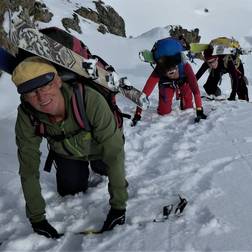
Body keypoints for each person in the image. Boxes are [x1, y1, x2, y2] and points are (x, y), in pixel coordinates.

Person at [12, 56, 128, 238]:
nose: (41, 97)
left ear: (58, 81)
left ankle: (98, 166)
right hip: (67, 153)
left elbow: (114, 153)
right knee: (70, 189)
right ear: (24, 97)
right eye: (32, 92)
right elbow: (28, 167)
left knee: (107, 167)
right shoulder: (27, 116)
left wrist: (118, 207)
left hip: (100, 148)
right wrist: (36, 218)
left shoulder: (89, 100)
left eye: (45, 85)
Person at [131, 37, 207, 126]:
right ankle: (177, 96)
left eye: (174, 72)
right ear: (164, 71)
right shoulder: (159, 69)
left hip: (183, 82)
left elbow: (195, 88)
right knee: (164, 112)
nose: (172, 74)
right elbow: (145, 92)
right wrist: (138, 114)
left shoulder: (185, 66)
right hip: (166, 84)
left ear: (177, 66)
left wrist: (199, 109)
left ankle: (183, 97)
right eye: (169, 73)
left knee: (188, 107)